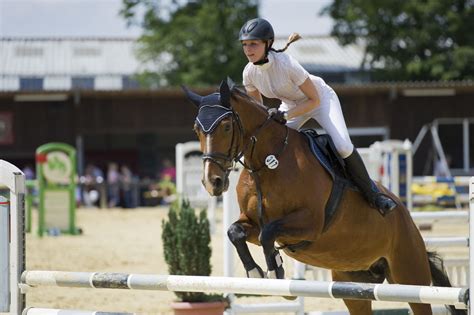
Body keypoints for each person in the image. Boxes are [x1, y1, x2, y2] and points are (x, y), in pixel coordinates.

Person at [239, 18, 396, 215]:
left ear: (267, 43)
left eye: (253, 43)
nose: (248, 49)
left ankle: (374, 196)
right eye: (245, 44)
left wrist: (285, 115)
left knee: (343, 146)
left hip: (321, 100)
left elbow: (314, 101)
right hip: (290, 105)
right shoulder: (249, 73)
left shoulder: (286, 64)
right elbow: (258, 111)